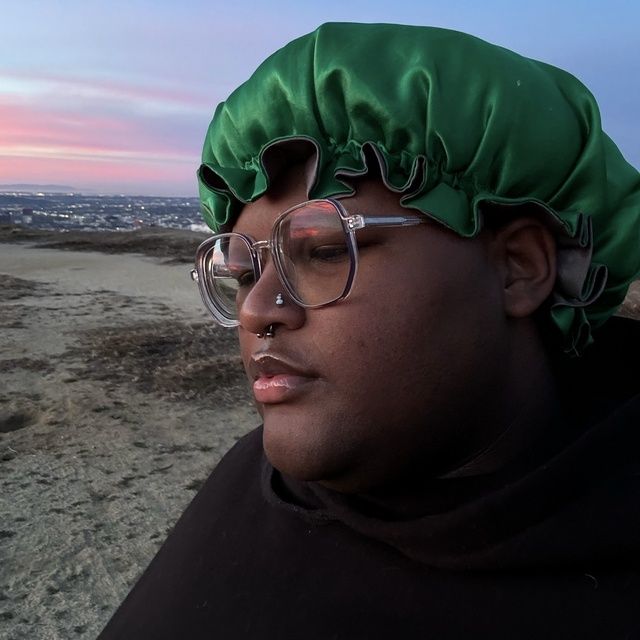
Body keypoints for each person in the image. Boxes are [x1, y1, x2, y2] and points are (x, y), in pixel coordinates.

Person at [99, 23, 640, 639]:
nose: (255, 311)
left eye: (326, 251)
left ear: (519, 268)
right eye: (244, 271)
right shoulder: (250, 481)